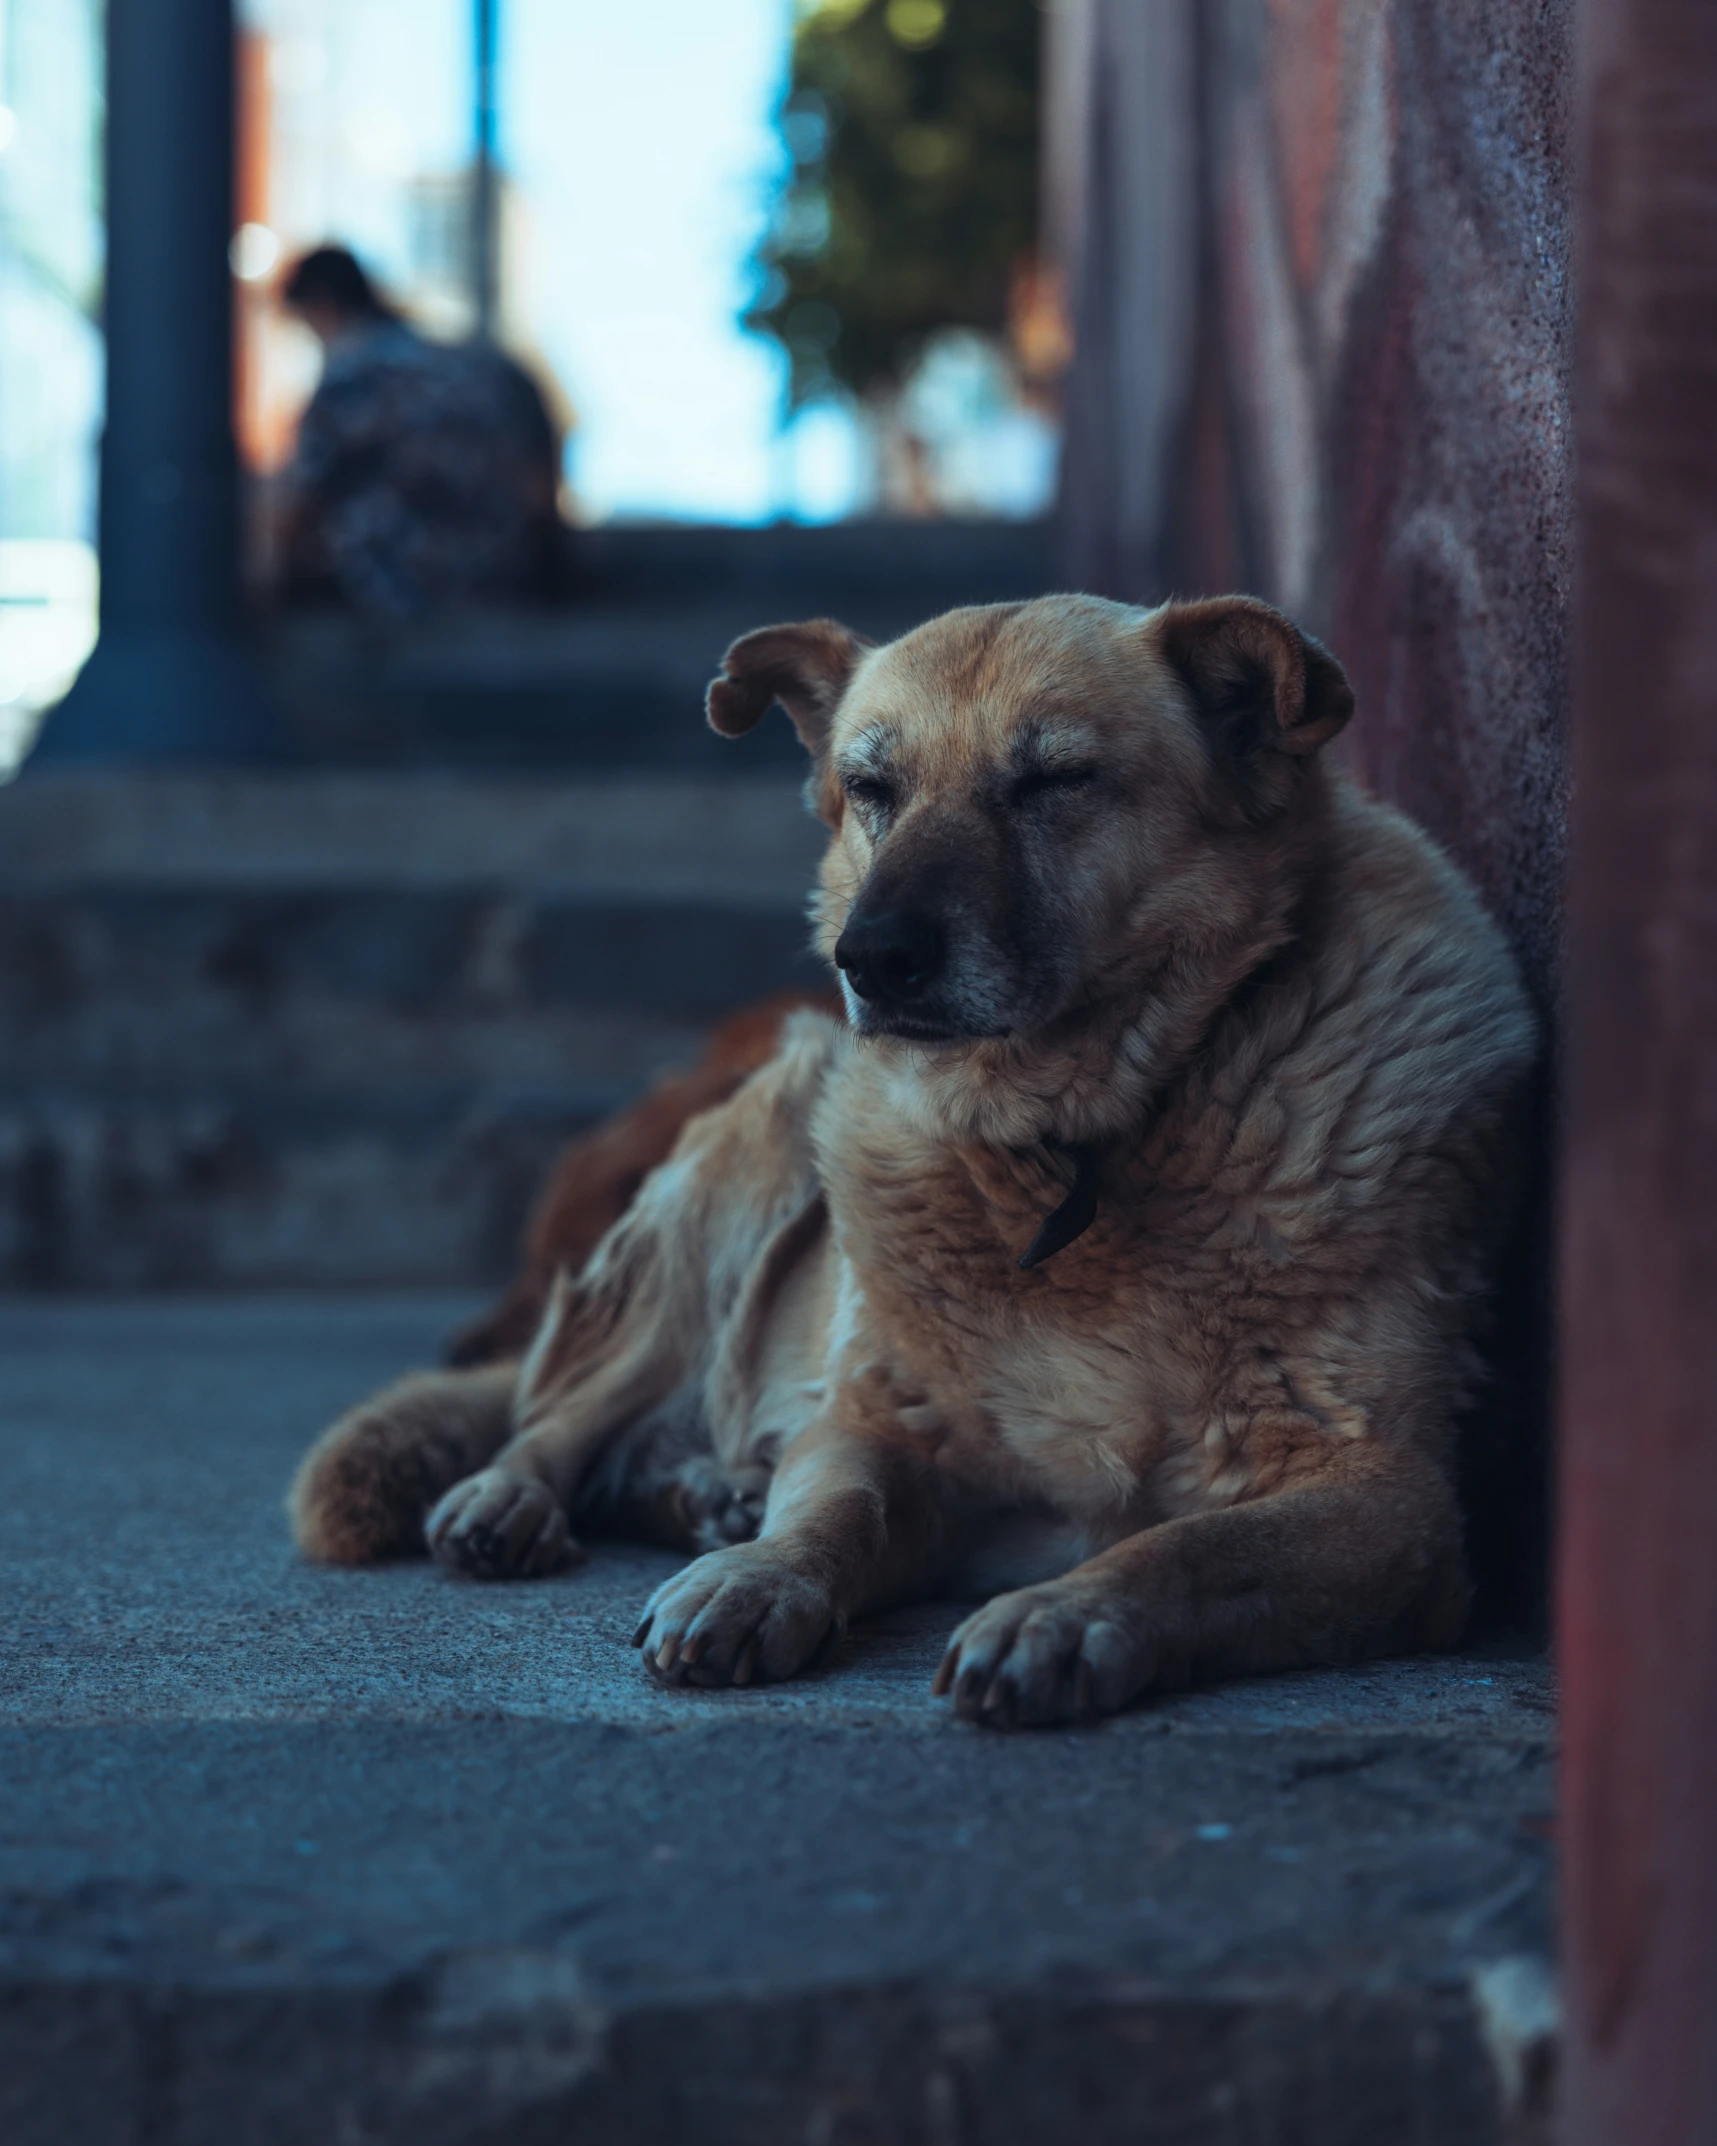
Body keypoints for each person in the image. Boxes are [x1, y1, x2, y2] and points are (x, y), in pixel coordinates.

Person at [277, 245, 565, 616]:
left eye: (306, 327)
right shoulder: (472, 365)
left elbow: (299, 507)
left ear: (322, 305)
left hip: (407, 596)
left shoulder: (353, 377)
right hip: (503, 583)